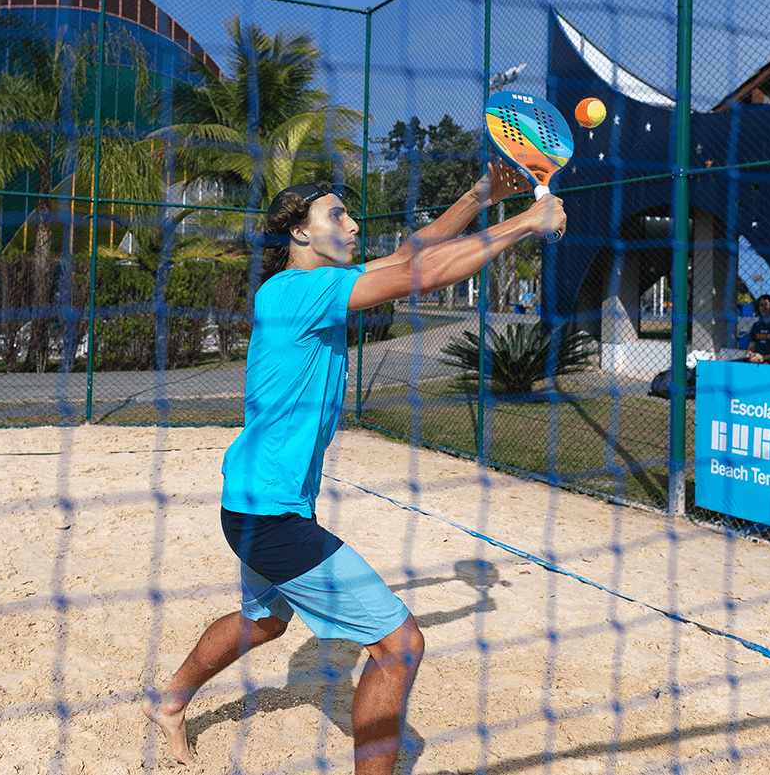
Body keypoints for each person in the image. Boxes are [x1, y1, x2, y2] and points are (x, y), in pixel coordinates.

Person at [142, 166, 563, 774]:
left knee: (263, 623)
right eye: (337, 214)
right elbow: (422, 275)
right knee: (400, 645)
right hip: (270, 512)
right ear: (300, 233)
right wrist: (525, 222)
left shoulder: (310, 284)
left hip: (261, 500)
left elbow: (406, 254)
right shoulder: (294, 293)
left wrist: (478, 198)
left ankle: (171, 701)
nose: (352, 223)